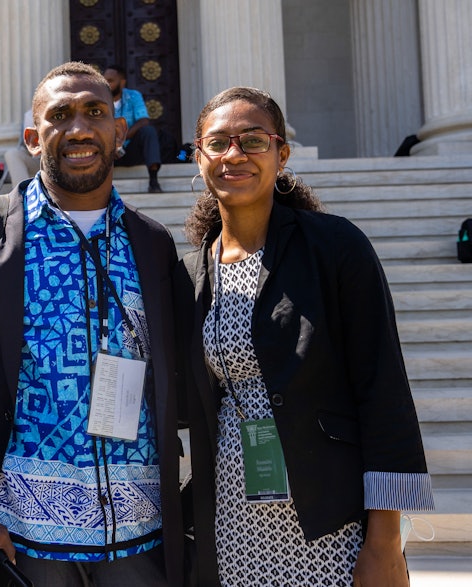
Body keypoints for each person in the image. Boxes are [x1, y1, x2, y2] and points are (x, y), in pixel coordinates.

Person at [0, 61, 185, 587]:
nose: (80, 128)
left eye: (95, 112)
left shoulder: (153, 242)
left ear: (119, 131)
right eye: (59, 114)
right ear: (31, 136)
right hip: (19, 538)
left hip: (140, 533)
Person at [177, 86, 435, 586]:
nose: (235, 155)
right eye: (219, 142)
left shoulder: (336, 247)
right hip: (232, 519)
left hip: (329, 522)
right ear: (199, 156)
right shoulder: (194, 272)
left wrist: (383, 542)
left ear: (282, 153)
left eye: (253, 141)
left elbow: (384, 393)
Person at [102, 65, 162, 193]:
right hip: (107, 152)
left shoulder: (133, 96)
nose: (106, 83)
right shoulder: (98, 98)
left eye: (111, 80)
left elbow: (143, 120)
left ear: (122, 82)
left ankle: (154, 181)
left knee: (148, 131)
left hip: (130, 150)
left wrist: (122, 138)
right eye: (104, 80)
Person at [3, 108, 39, 186]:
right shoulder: (30, 114)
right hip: (38, 161)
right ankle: (23, 195)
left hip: (59, 163)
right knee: (12, 154)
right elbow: (30, 145)